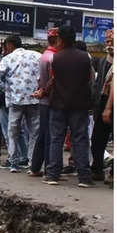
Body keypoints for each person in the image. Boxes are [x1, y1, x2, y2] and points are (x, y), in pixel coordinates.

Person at [39, 25, 95, 187]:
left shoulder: (56, 58)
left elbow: (53, 80)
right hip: (80, 104)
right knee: (80, 139)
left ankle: (52, 175)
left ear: (60, 39)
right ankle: (84, 177)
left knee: (56, 139)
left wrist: (43, 91)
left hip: (58, 103)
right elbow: (90, 80)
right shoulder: (86, 57)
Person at [0, 35, 41, 173]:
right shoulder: (37, 55)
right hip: (33, 99)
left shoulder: (8, 59)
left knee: (13, 132)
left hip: (15, 100)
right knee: (34, 132)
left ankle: (14, 163)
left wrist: (7, 89)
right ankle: (32, 163)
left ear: (9, 45)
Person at [28, 28, 59, 177]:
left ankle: (35, 167)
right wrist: (44, 91)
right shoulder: (53, 57)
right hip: (50, 100)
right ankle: (49, 168)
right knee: (50, 136)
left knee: (43, 134)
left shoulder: (44, 56)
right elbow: (54, 79)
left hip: (44, 100)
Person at [90, 28, 113, 181]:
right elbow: (98, 85)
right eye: (107, 41)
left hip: (111, 104)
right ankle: (97, 169)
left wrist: (108, 108)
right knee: (97, 139)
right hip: (102, 103)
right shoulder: (104, 61)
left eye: (111, 41)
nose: (108, 44)